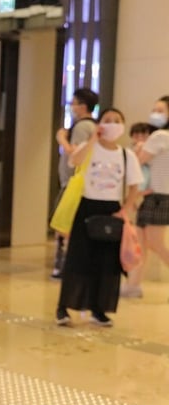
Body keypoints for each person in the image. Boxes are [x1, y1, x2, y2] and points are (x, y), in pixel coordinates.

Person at [56, 107, 142, 327]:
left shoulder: (127, 155)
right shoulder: (89, 148)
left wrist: (125, 209)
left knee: (106, 262)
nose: (112, 124)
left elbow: (134, 186)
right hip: (86, 206)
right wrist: (93, 139)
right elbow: (75, 160)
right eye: (107, 120)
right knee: (78, 258)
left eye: (117, 120)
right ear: (99, 124)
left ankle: (98, 309)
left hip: (112, 210)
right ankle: (64, 308)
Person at [52, 88, 100, 279]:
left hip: (73, 183)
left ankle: (65, 265)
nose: (71, 107)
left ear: (83, 106)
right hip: (82, 183)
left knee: (62, 223)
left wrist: (61, 138)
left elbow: (76, 153)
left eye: (73, 103)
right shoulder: (94, 127)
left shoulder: (81, 127)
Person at [128, 97, 169, 298]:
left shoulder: (160, 136)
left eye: (160, 110)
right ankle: (133, 285)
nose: (154, 114)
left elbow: (139, 161)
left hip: (158, 196)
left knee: (154, 243)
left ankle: (133, 286)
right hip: (157, 195)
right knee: (142, 243)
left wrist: (138, 148)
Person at [121, 121, 155, 298]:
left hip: (145, 196)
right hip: (134, 196)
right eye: (136, 135)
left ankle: (134, 283)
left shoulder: (151, 152)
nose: (140, 138)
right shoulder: (129, 152)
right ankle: (132, 283)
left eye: (144, 134)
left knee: (143, 244)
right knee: (136, 243)